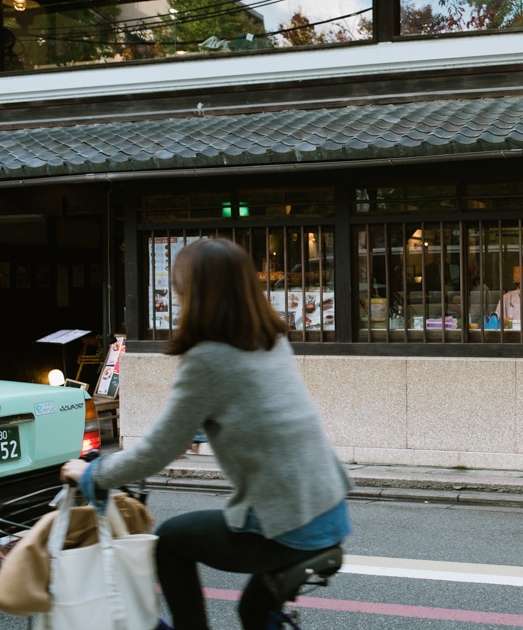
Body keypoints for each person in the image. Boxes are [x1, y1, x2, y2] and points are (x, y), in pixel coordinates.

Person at [60, 238, 353, 630]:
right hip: (328, 512)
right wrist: (198, 428)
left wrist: (92, 474)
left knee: (170, 541)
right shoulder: (269, 339)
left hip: (283, 524)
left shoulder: (207, 357)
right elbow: (260, 402)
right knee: (254, 612)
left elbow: (155, 451)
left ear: (194, 295)